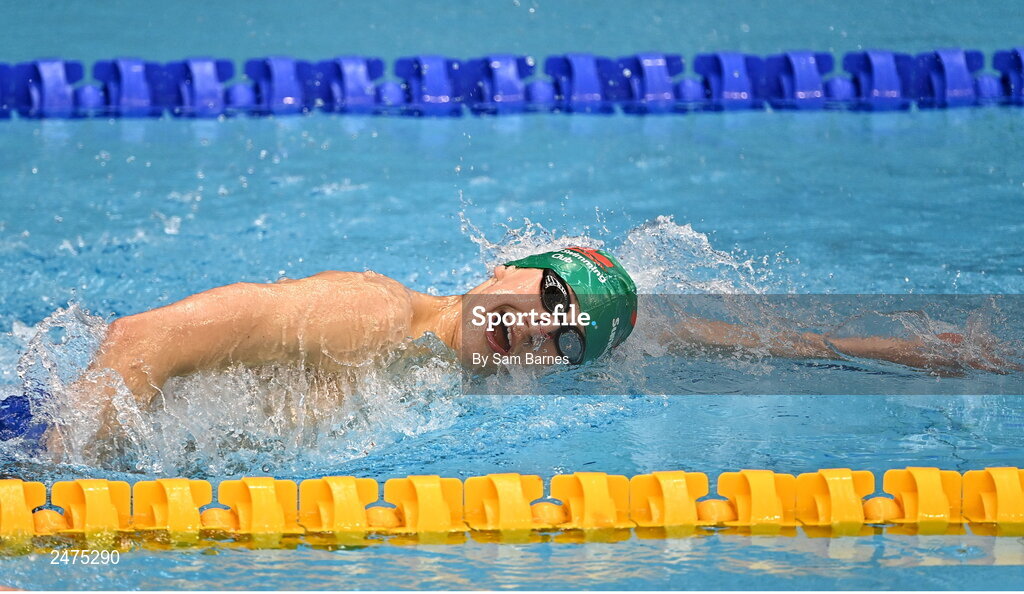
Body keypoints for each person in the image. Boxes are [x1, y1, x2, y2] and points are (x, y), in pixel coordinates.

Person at [0, 246, 1016, 441]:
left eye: (567, 337)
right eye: (545, 299)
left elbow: (744, 342)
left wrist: (932, 352)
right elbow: (138, 340)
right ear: (501, 268)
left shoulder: (479, 373)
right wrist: (66, 473)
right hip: (39, 430)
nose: (541, 330)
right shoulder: (367, 315)